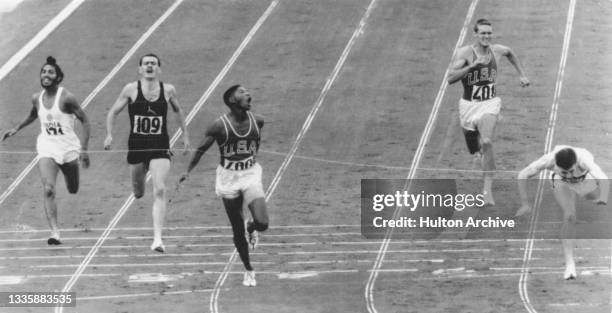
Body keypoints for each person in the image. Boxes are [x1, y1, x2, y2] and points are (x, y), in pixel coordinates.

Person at [177, 84, 269, 287]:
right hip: (228, 178)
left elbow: (256, 143)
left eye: (248, 91)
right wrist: (188, 171)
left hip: (251, 174)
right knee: (236, 230)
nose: (248, 93)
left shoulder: (258, 121)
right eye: (242, 92)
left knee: (263, 223)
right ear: (232, 100)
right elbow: (201, 149)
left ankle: (251, 226)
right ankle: (248, 269)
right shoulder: (219, 126)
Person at [104, 53, 190, 253]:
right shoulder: (130, 89)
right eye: (146, 64)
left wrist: (185, 135)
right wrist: (109, 135)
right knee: (139, 192)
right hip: (136, 145)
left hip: (159, 144)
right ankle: (138, 186)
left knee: (159, 189)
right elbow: (112, 112)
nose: (150, 66)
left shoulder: (168, 90)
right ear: (140, 69)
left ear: (158, 68)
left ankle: (157, 239)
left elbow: (178, 111)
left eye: (153, 63)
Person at [2, 56, 91, 245]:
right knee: (48, 189)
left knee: (73, 188)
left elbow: (85, 120)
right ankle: (54, 232)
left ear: (58, 77)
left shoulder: (66, 97)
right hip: (47, 147)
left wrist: (84, 150)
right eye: (43, 72)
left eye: (50, 72)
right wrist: (16, 128)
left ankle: (71, 177)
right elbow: (34, 115)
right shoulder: (37, 98)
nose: (46, 75)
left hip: (68, 148)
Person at [447, 18, 530, 205]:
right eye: (483, 33)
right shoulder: (466, 53)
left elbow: (510, 53)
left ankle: (487, 192)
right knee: (474, 149)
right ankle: (480, 153)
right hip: (468, 107)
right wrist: (472, 67)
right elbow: (450, 78)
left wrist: (522, 74)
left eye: (489, 33)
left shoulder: (497, 50)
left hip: (489, 104)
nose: (486, 36)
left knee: (486, 141)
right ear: (475, 34)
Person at [516, 145, 609, 279]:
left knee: (598, 200)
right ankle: (570, 266)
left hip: (584, 179)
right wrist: (525, 203)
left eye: (571, 171)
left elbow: (603, 179)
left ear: (576, 163)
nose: (569, 175)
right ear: (557, 166)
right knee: (569, 216)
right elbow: (522, 175)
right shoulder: (548, 161)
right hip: (561, 183)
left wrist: (603, 197)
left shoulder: (584, 161)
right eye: (565, 172)